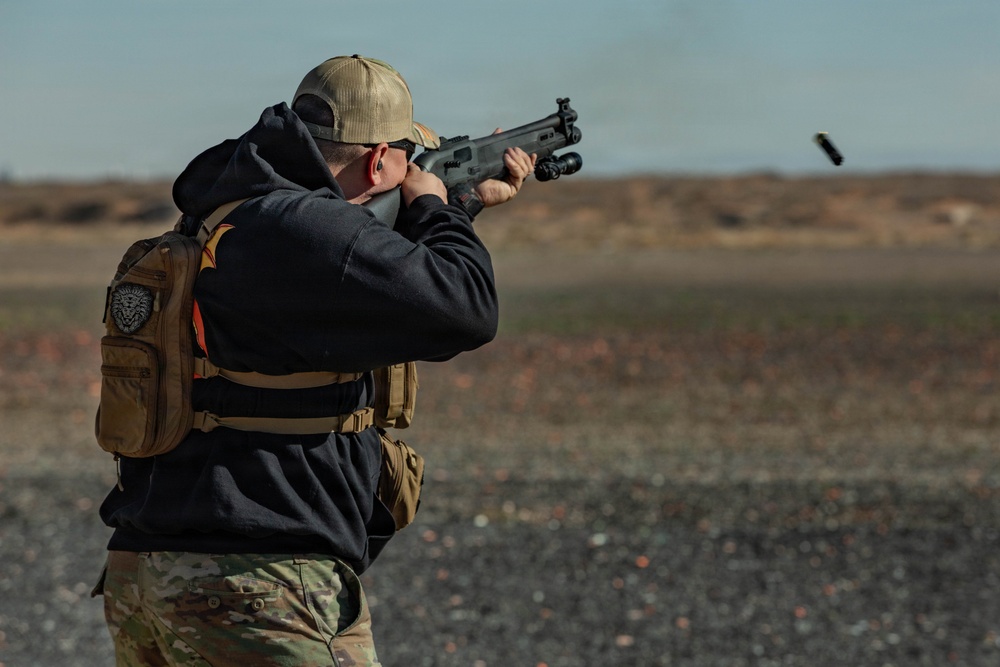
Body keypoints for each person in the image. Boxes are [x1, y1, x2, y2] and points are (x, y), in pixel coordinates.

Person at [93, 54, 536, 666]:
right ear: (380, 160)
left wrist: (461, 207)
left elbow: (373, 285)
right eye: (405, 158)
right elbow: (464, 309)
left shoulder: (236, 211)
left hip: (156, 571)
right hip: (259, 588)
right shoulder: (307, 229)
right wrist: (436, 208)